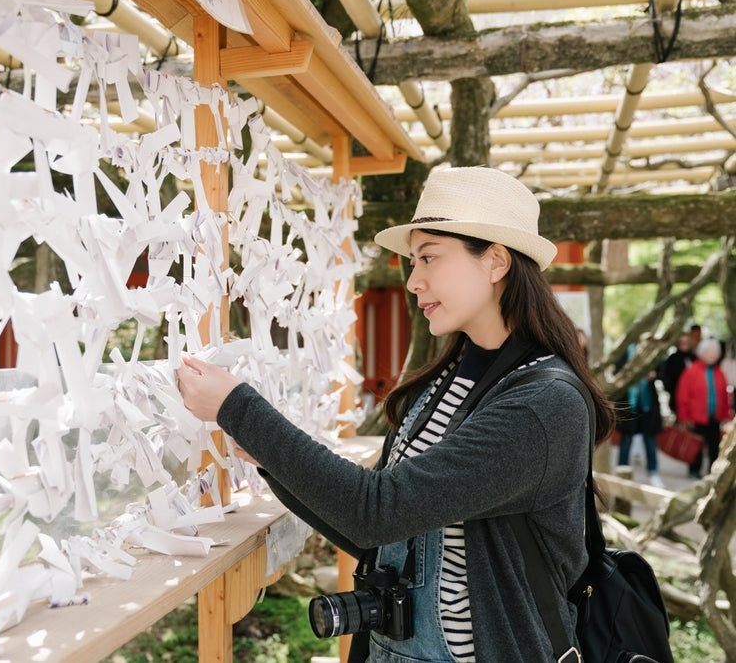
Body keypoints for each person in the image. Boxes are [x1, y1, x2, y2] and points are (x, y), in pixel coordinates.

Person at [176, 166, 615, 662]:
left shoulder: (543, 406)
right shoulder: (443, 381)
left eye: (428, 257)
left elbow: (377, 510)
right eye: (412, 261)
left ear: (495, 261)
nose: (413, 281)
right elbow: (381, 533)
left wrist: (238, 407)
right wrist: (267, 460)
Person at [676, 338, 731, 478]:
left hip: (714, 417)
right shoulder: (692, 371)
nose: (713, 355)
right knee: (696, 446)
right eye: (709, 352)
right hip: (696, 417)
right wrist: (684, 416)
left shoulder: (719, 372)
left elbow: (724, 395)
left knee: (714, 446)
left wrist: (726, 414)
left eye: (715, 352)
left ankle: (712, 472)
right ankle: (694, 471)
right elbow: (683, 396)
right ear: (702, 353)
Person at [615, 345, 664, 487]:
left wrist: (653, 374)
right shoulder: (625, 351)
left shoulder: (653, 350)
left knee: (650, 440)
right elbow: (618, 372)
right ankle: (621, 473)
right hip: (629, 403)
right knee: (626, 439)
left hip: (647, 404)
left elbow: (662, 371)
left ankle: (653, 472)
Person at [657, 332, 694, 415]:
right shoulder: (672, 359)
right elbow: (666, 377)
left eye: (687, 342)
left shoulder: (694, 358)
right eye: (682, 342)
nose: (684, 345)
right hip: (676, 395)